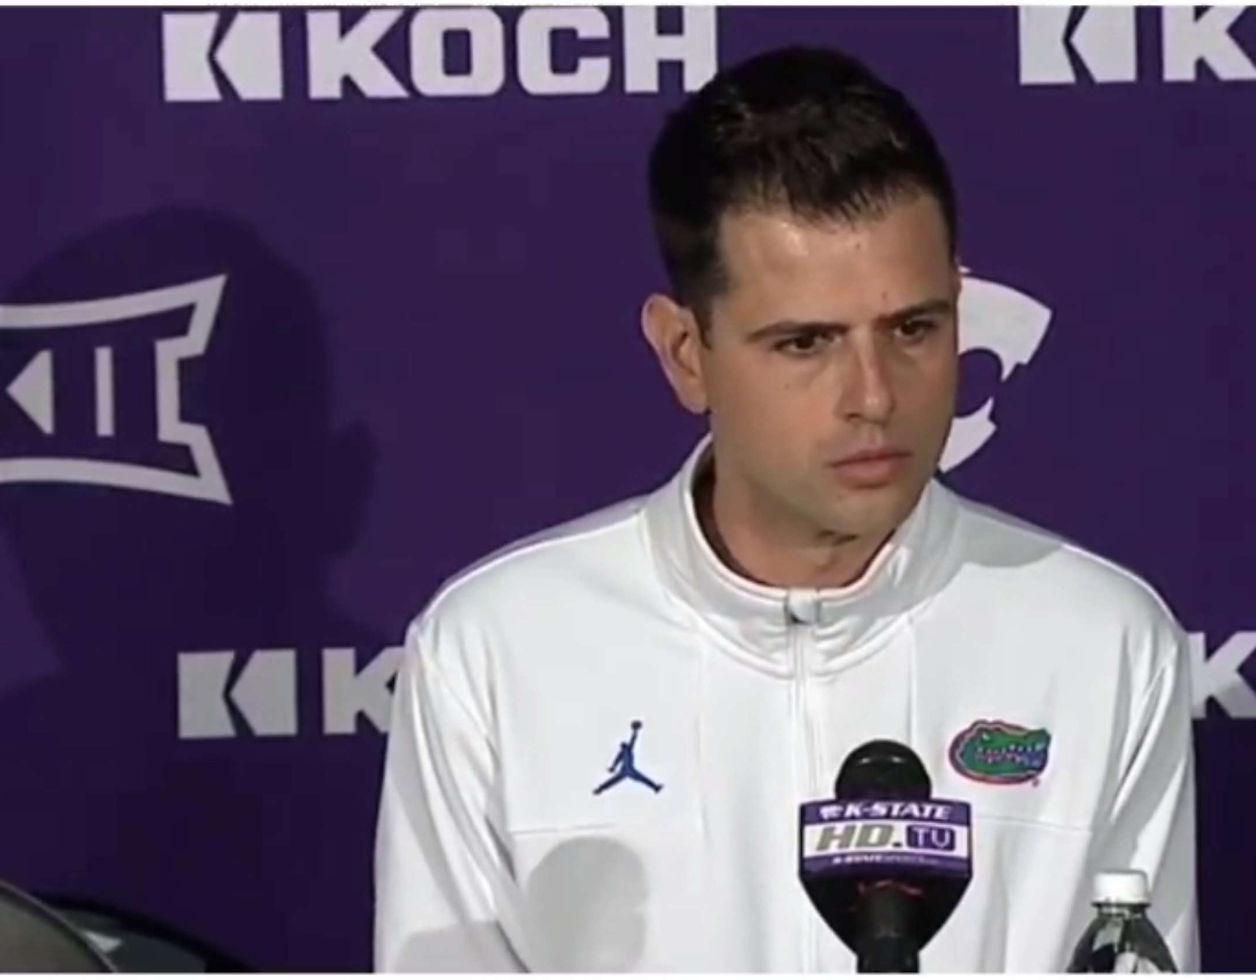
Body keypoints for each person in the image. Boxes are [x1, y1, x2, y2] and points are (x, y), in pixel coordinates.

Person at [373, 45, 1198, 972]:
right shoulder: (497, 652)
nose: (874, 396)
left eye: (914, 328)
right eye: (805, 343)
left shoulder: (1100, 644)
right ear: (685, 353)